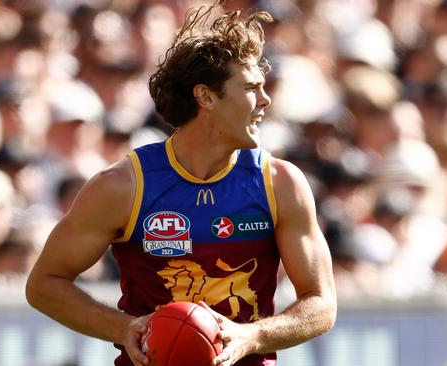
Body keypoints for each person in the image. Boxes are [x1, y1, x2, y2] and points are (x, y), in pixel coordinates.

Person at [26, 2, 337, 366]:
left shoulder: (281, 183)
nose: (266, 100)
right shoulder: (124, 186)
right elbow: (44, 284)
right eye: (252, 88)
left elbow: (322, 304)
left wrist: (251, 336)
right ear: (205, 97)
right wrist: (122, 328)